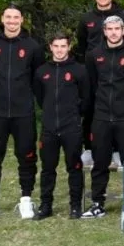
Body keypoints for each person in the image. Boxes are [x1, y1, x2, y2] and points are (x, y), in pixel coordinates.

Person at [0, 3, 44, 221]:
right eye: (8, 17)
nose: (12, 21)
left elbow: (38, 78)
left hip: (23, 112)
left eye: (16, 17)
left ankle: (25, 199)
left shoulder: (32, 47)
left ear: (22, 20)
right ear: (2, 19)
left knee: (27, 156)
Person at [85, 15, 124, 219]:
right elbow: (92, 86)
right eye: (109, 29)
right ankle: (97, 203)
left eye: (117, 28)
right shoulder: (94, 54)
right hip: (101, 117)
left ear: (123, 31)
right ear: (104, 31)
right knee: (100, 162)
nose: (113, 32)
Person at [33, 32, 90, 220]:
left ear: (69, 47)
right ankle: (45, 206)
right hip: (49, 128)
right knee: (48, 168)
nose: (59, 50)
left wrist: (73, 115)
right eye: (56, 46)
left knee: (74, 167)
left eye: (63, 46)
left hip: (71, 127)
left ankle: (75, 206)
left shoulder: (79, 70)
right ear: (50, 47)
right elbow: (41, 98)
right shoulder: (42, 71)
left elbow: (86, 98)